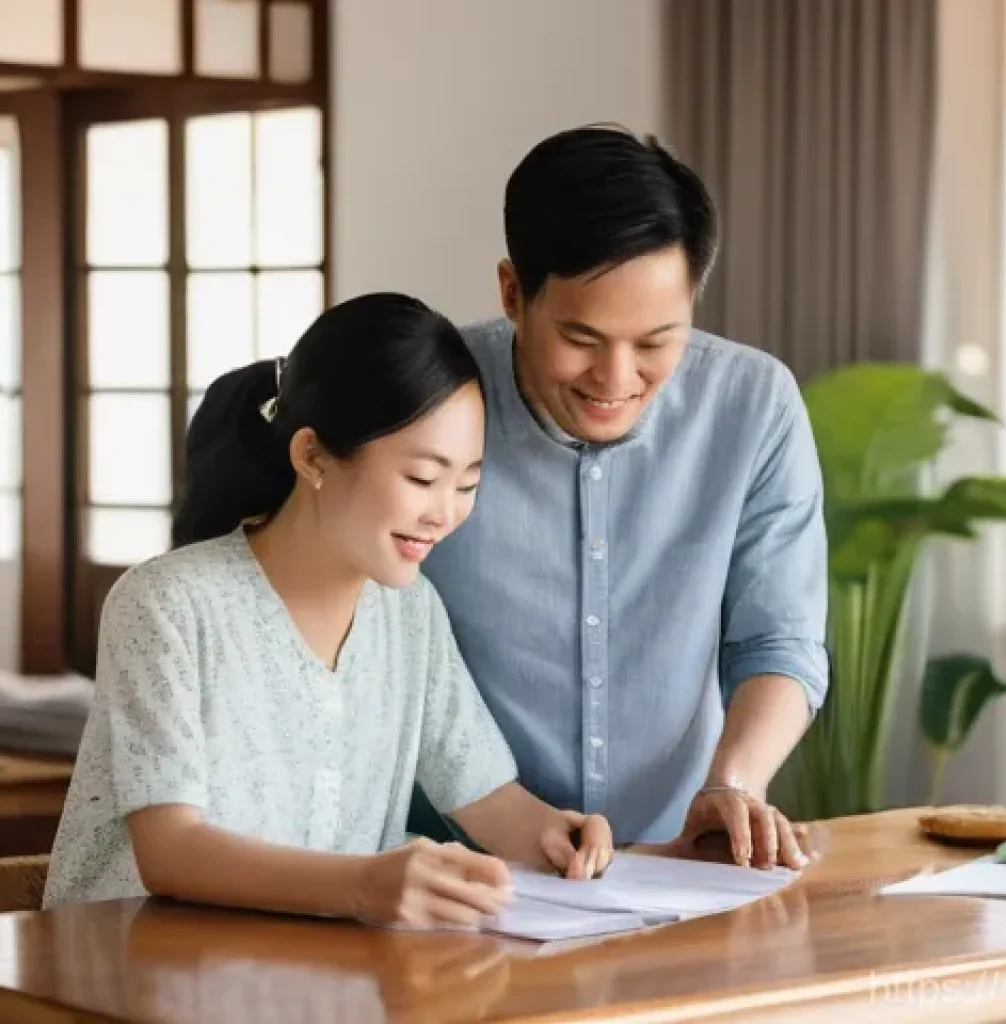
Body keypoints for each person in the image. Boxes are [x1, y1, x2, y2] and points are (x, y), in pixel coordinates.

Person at [42, 292, 614, 926]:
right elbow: (171, 850)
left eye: (468, 484)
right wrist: (365, 884)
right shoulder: (166, 605)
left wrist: (557, 837)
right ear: (312, 455)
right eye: (423, 479)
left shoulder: (410, 612)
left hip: (313, 982)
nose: (445, 512)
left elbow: (482, 792)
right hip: (125, 987)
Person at [420, 126, 829, 870]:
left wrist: (732, 784)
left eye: (654, 342)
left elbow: (779, 640)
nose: (615, 379)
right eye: (581, 337)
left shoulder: (755, 403)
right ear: (513, 292)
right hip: (450, 869)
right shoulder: (432, 397)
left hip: (678, 861)